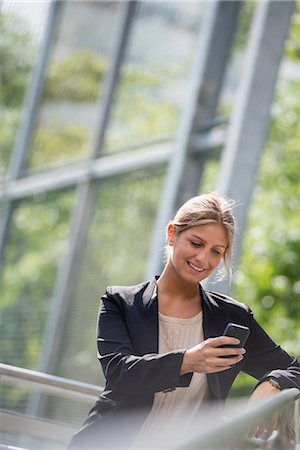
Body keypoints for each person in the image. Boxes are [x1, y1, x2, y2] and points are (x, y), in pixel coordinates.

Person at [68, 192, 300, 449]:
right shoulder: (120, 302)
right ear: (172, 234)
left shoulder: (233, 317)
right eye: (196, 244)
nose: (203, 259)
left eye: (216, 251)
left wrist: (273, 383)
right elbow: (119, 372)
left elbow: (294, 369)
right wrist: (188, 361)